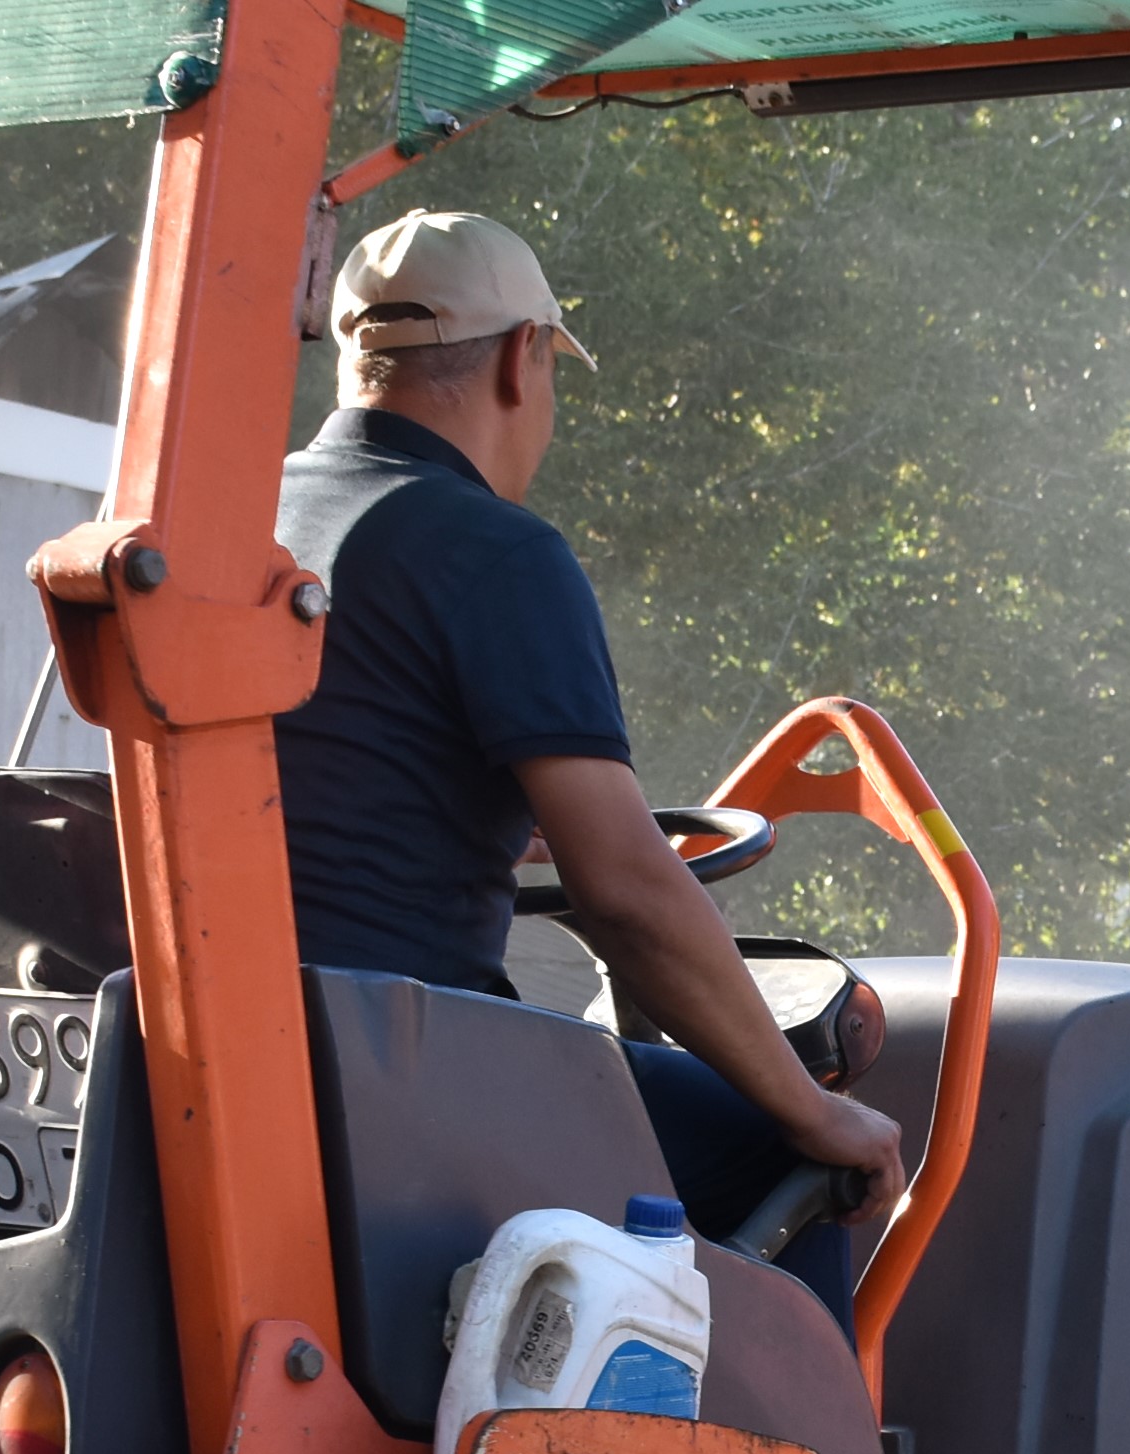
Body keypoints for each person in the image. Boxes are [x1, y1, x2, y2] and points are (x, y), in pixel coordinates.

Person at [270, 210, 902, 1333]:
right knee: (785, 1161)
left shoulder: (253, 523)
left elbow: (337, 788)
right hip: (401, 1078)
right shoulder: (492, 551)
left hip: (267, 1049)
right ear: (523, 359)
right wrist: (811, 1106)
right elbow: (626, 889)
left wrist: (480, 822)